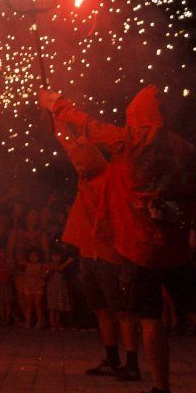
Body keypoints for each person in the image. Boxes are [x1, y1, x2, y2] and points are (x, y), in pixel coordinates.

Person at [42, 86, 196, 393]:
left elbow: (89, 127)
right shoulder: (188, 152)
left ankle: (161, 391)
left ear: (138, 114)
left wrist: (56, 104)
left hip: (140, 248)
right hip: (175, 249)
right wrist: (175, 212)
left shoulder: (133, 140)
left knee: (150, 319)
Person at [55, 118, 140, 379]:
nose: (77, 163)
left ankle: (132, 363)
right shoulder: (85, 175)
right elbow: (65, 141)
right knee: (101, 309)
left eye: (81, 159)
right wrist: (53, 114)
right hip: (87, 254)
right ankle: (111, 359)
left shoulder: (109, 179)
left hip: (109, 254)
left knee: (121, 310)